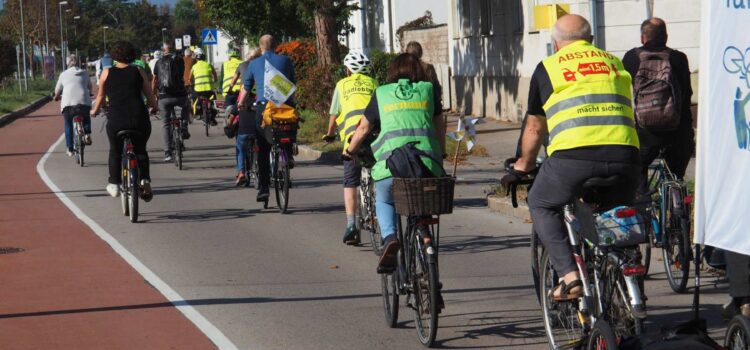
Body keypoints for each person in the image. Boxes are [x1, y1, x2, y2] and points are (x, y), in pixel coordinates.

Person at [506, 15, 640, 301]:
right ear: (591, 40)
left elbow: (534, 128)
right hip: (625, 155)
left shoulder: (550, 67)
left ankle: (569, 276)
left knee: (541, 202)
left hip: (573, 158)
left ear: (556, 43)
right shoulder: (614, 62)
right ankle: (628, 282)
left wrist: (523, 165)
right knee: (616, 216)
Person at [346, 53, 445, 270]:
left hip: (392, 167)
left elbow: (363, 128)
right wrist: (441, 153)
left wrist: (350, 150)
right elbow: (439, 125)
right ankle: (426, 241)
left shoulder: (381, 94)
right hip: (427, 165)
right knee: (422, 202)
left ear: (391, 72)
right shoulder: (428, 89)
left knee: (385, 199)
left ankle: (390, 237)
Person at [622, 18, 695, 191]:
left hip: (645, 132)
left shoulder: (631, 58)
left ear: (642, 38)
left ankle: (643, 206)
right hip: (678, 131)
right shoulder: (678, 58)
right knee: (676, 177)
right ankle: (679, 209)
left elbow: (624, 94)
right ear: (666, 37)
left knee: (637, 170)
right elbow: (687, 94)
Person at [90, 41, 158, 200]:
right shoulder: (139, 70)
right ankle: (145, 179)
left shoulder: (106, 73)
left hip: (117, 119)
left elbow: (100, 97)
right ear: (132, 55)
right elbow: (149, 94)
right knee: (141, 149)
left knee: (115, 150)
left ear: (115, 56)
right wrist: (154, 107)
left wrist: (95, 110)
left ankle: (114, 184)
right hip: (138, 118)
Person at [323, 51, 378, 245]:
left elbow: (334, 114)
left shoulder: (342, 85)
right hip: (375, 137)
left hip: (352, 140)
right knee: (377, 172)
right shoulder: (373, 84)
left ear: (348, 70)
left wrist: (329, 134)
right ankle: (377, 213)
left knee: (350, 182)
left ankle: (351, 226)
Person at [238, 34, 296, 203]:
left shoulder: (254, 63)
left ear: (260, 47)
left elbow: (246, 87)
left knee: (262, 148)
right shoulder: (286, 60)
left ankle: (264, 189)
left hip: (264, 108)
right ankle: (288, 152)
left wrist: (241, 104)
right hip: (284, 106)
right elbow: (293, 83)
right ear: (276, 46)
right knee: (288, 126)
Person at [152, 43, 192, 162]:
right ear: (172, 51)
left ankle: (167, 152)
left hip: (164, 97)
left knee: (165, 123)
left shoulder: (158, 63)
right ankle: (184, 125)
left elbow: (154, 80)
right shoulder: (179, 60)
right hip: (180, 94)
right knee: (187, 105)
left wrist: (155, 94)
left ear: (163, 52)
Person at [231, 49, 262, 186]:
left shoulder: (242, 66)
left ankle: (242, 172)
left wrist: (229, 125)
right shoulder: (262, 91)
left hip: (244, 128)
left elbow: (235, 110)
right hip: (260, 126)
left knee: (240, 146)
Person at [54, 54, 93, 156]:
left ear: (67, 64)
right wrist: (90, 92)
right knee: (86, 115)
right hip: (83, 102)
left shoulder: (63, 74)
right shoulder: (84, 73)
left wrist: (56, 97)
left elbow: (57, 90)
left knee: (68, 124)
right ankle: (87, 133)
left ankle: (70, 149)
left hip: (68, 104)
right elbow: (90, 86)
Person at [404, 41, 443, 107]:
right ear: (421, 53)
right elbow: (437, 87)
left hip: (409, 105)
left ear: (406, 53)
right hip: (428, 104)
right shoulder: (429, 68)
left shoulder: (403, 69)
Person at [190, 47, 219, 125]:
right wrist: (215, 82)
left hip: (198, 90)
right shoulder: (209, 65)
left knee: (194, 98)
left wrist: (192, 83)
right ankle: (212, 116)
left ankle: (196, 113)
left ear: (196, 57)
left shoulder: (194, 67)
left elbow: (190, 78)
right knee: (213, 100)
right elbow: (215, 75)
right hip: (209, 89)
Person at [220, 48, 243, 112]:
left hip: (228, 89)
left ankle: (228, 118)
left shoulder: (224, 64)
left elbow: (221, 78)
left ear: (229, 55)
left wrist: (220, 88)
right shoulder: (243, 63)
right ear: (238, 55)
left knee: (228, 108)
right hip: (241, 89)